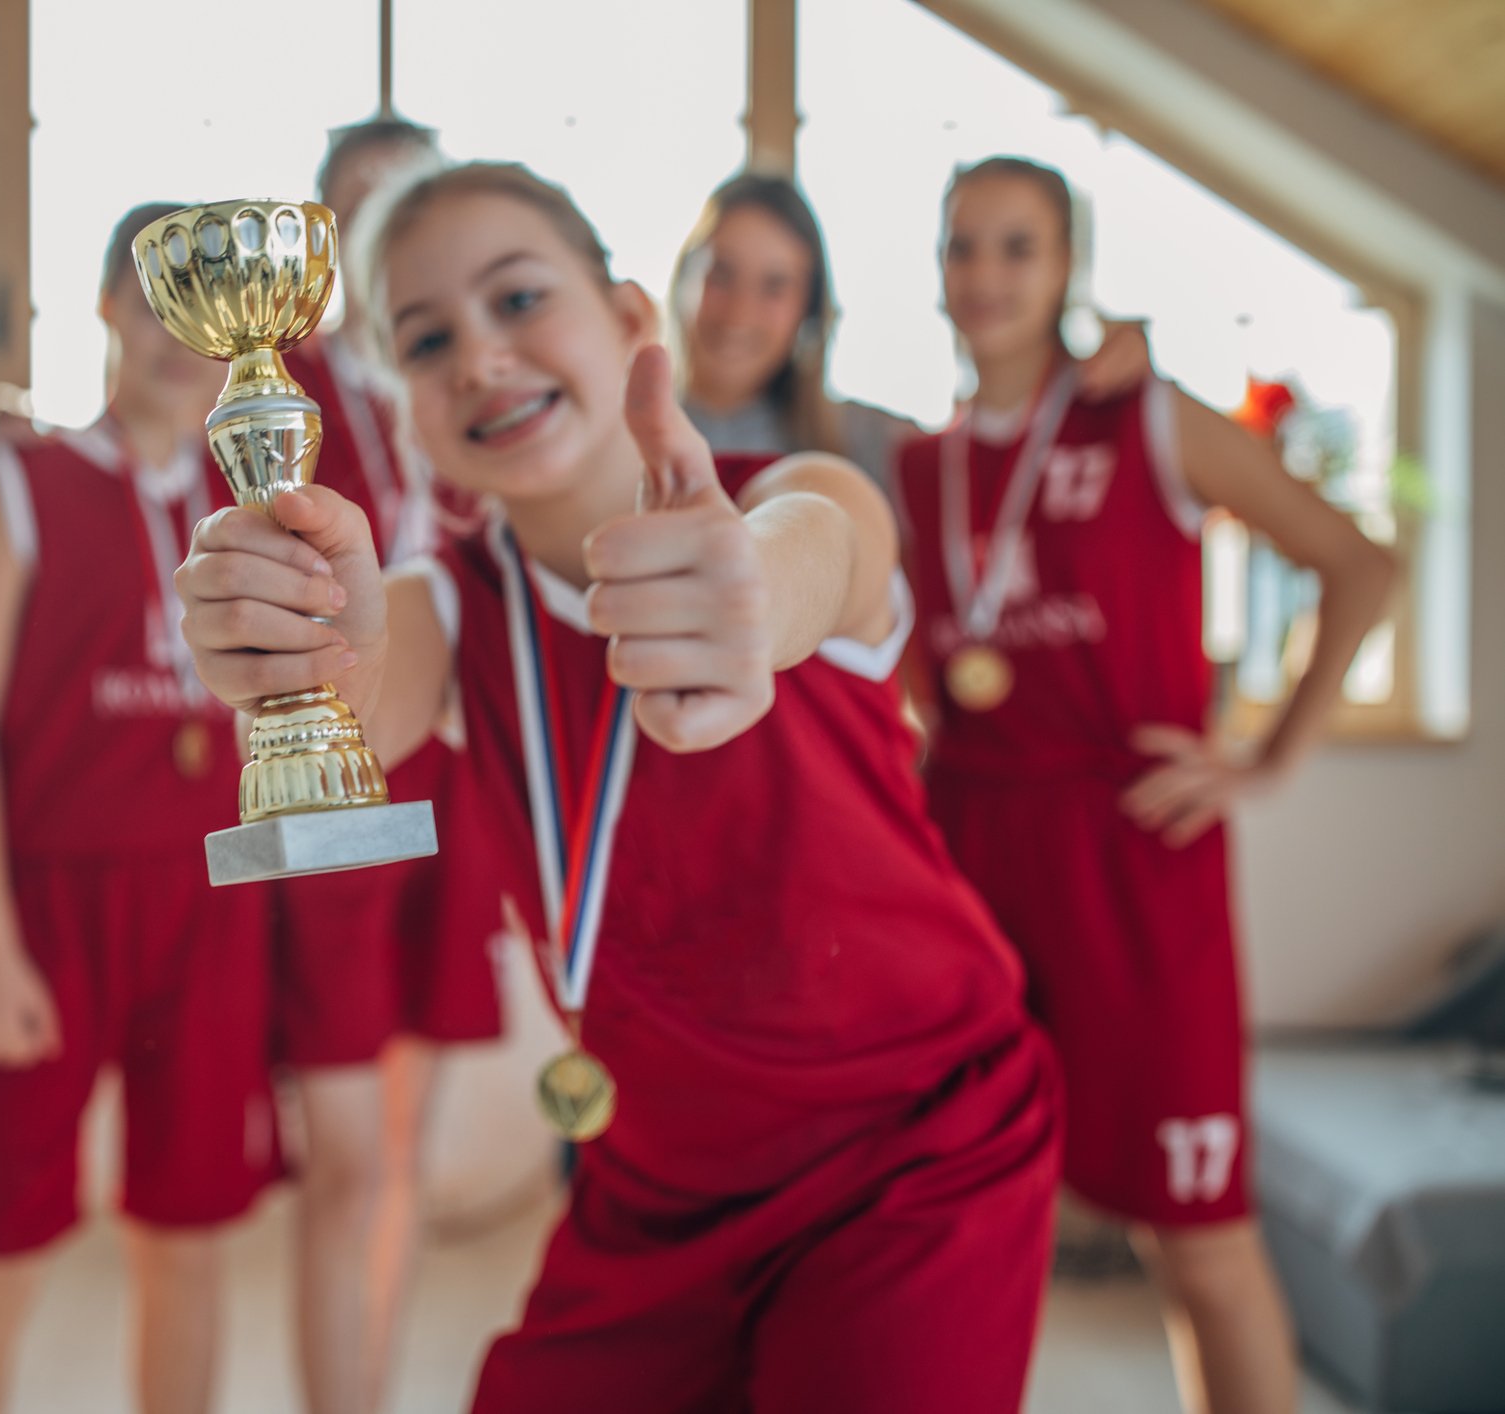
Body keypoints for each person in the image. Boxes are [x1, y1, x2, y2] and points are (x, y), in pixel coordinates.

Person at [174, 160, 1062, 1412]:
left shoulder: (781, 499)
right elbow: (373, 659)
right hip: (654, 1183)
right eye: (426, 339)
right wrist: (293, 641)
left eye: (520, 298)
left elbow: (824, 547)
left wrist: (753, 596)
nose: (480, 355)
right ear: (401, 405)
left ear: (635, 320)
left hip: (908, 1152)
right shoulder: (455, 602)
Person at [893, 156, 1396, 1414]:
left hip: (1131, 852)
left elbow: (1360, 568)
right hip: (970, 854)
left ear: (1069, 267)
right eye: (964, 246)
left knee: (1199, 1234)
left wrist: (1268, 756)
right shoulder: (915, 465)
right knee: (941, 1230)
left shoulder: (1149, 416)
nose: (987, 275)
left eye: (1019, 246)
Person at [0, 202, 279, 1414]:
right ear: (109, 307)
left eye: (203, 307)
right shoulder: (26, 483)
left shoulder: (265, 506)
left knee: (190, 1241)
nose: (177, 332)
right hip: (50, 905)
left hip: (205, 901)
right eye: (152, 295)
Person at [273, 114, 507, 1414]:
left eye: (406, 201)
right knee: (347, 1151)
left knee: (404, 1143)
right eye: (357, 210)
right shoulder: (276, 383)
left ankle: (369, 1385)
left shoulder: (474, 377)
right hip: (335, 791)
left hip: (453, 787)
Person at [670, 169, 1152, 482]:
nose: (739, 311)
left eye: (775, 285)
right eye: (721, 273)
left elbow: (999, 443)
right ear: (684, 277)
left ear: (809, 310)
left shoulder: (866, 440)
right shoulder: (614, 428)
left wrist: (1116, 357)